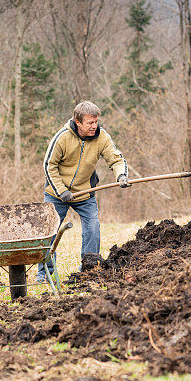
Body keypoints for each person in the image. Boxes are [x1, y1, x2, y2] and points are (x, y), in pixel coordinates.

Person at [37, 100, 130, 282]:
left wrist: (121, 176)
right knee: (49, 232)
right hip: (57, 194)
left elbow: (116, 159)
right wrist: (62, 190)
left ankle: (89, 269)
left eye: (96, 122)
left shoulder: (102, 137)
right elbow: (49, 165)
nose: (94, 126)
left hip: (85, 193)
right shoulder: (62, 137)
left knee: (93, 228)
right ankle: (45, 273)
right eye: (90, 123)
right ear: (78, 122)